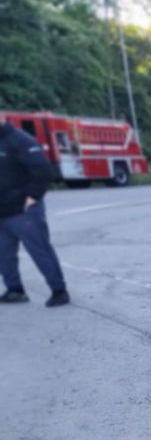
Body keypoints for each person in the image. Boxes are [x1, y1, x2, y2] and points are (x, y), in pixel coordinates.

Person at [0, 112, 69, 306]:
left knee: (40, 251)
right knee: (4, 255)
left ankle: (59, 291)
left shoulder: (19, 140)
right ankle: (15, 290)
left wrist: (33, 197)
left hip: (24, 212)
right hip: (2, 213)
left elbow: (44, 170)